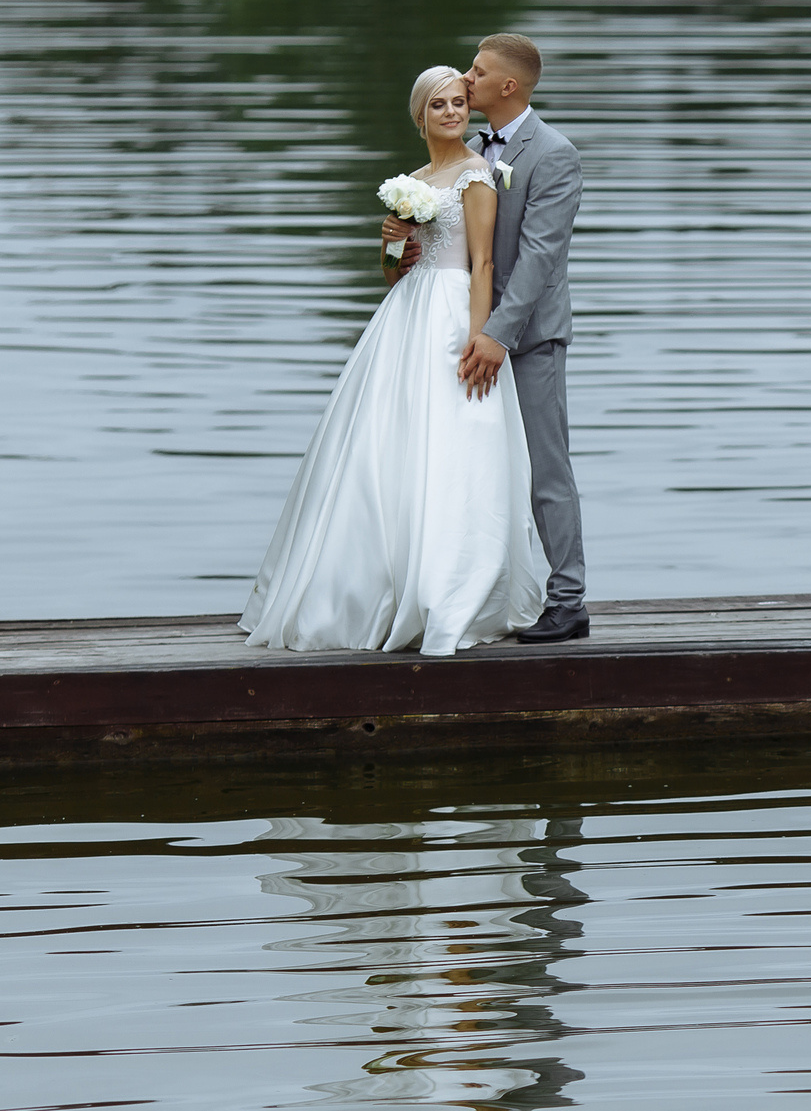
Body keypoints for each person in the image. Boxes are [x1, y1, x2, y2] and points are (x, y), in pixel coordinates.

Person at [239, 66, 548, 655]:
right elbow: (391, 273)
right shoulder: (411, 182)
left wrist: (481, 337)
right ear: (421, 116)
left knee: (459, 439)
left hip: (457, 312)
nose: (454, 113)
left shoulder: (478, 174)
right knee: (389, 441)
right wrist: (391, 237)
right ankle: (376, 584)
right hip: (407, 315)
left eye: (460, 102)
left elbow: (482, 263)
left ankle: (452, 587)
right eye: (440, 106)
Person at [387, 33, 591, 644]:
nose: (465, 81)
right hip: (465, 332)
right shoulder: (470, 151)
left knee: (545, 469)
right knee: (472, 466)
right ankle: (477, 589)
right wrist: (399, 238)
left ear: (508, 86)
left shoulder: (553, 154)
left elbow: (540, 258)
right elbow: (440, 253)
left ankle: (569, 600)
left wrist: (498, 335)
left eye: (477, 72)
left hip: (525, 338)